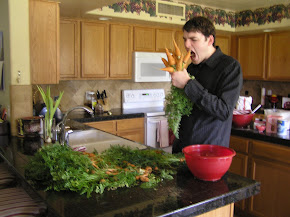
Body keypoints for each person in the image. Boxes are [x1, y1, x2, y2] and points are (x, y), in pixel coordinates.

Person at [170, 16, 243, 153]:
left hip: (209, 152)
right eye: (185, 39)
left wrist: (187, 84)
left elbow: (224, 111)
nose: (186, 45)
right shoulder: (191, 68)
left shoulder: (230, 67)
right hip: (182, 148)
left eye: (193, 39)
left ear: (210, 40)